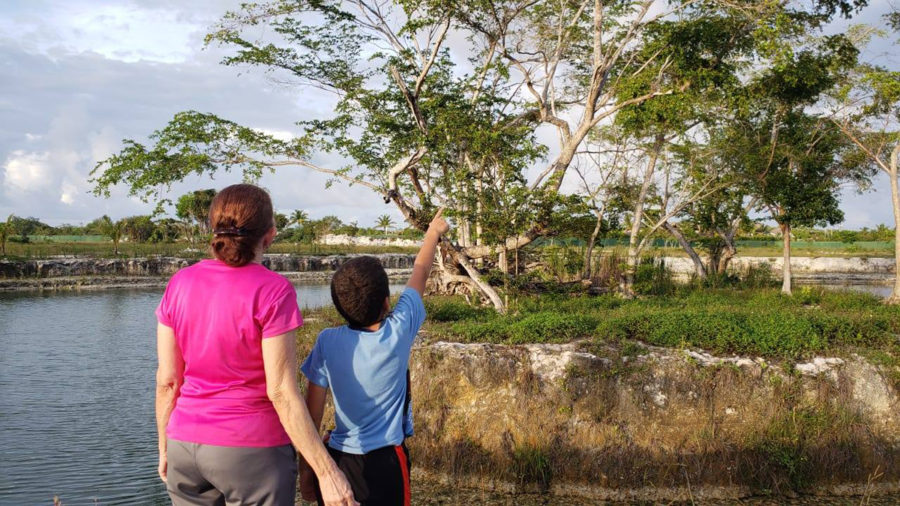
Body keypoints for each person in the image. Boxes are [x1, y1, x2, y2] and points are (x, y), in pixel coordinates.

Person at [154, 183, 357, 506]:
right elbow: (280, 391)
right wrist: (326, 471)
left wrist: (166, 446)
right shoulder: (274, 291)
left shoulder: (179, 284)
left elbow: (168, 382)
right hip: (253, 451)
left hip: (184, 446)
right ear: (270, 234)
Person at [299, 209, 450, 506]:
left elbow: (311, 414)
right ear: (385, 301)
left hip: (339, 462)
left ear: (339, 307)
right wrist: (433, 233)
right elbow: (420, 272)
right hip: (387, 464)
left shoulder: (327, 341)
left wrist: (308, 472)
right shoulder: (398, 330)